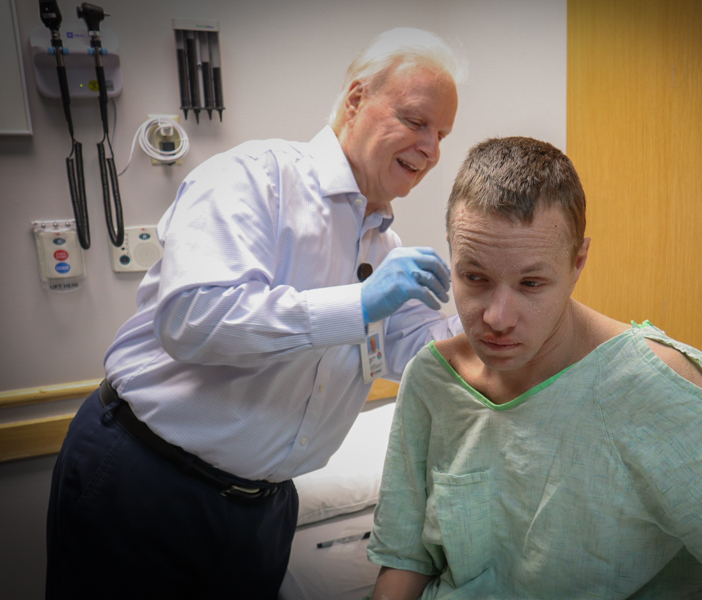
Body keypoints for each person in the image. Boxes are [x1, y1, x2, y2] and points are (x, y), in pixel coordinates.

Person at [46, 27, 466, 599]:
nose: (431, 149)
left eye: (441, 134)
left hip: (262, 509)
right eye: (417, 121)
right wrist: (359, 302)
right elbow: (195, 319)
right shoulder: (252, 178)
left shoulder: (383, 251)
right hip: (148, 479)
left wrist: (492, 303)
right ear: (356, 100)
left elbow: (408, 352)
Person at [365, 136, 702, 600]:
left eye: (532, 284)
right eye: (474, 277)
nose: (496, 317)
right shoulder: (432, 380)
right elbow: (407, 559)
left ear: (578, 262)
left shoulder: (651, 382)